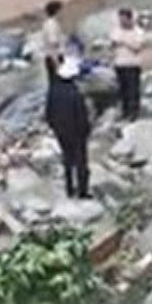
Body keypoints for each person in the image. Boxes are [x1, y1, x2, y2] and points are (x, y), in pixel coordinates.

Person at [45, 58, 92, 199]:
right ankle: (82, 191)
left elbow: (48, 113)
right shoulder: (75, 93)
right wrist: (86, 129)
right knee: (81, 162)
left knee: (67, 160)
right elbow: (81, 114)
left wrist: (54, 127)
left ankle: (69, 189)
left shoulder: (53, 91)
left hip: (61, 131)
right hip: (77, 132)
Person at [111, 9, 150, 120]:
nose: (122, 22)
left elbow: (137, 47)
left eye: (124, 19)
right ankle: (125, 112)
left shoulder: (138, 32)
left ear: (129, 19)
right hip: (119, 64)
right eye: (120, 19)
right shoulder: (116, 30)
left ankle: (134, 113)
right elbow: (113, 43)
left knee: (133, 90)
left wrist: (123, 41)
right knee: (123, 90)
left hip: (132, 64)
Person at [37, 0, 67, 78]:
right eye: (62, 10)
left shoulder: (49, 23)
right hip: (54, 58)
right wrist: (57, 63)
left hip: (52, 58)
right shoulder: (51, 25)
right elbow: (53, 45)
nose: (64, 13)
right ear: (57, 11)